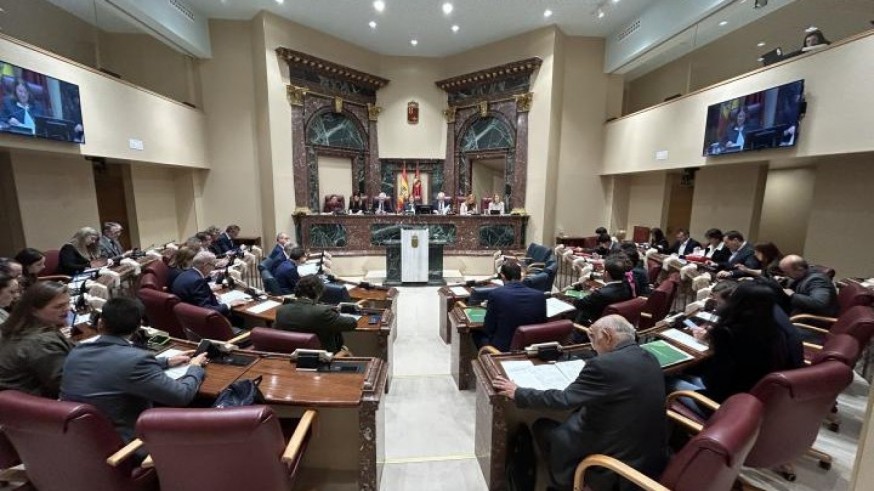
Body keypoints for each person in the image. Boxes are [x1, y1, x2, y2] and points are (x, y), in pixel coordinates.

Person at [492, 315, 668, 491]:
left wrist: (519, 392)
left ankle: (562, 482)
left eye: (592, 337)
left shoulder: (603, 365)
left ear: (607, 336)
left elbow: (564, 400)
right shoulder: (650, 357)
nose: (591, 344)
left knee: (542, 426)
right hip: (649, 452)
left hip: (613, 459)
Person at [60, 297, 206, 444]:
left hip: (82, 441)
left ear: (100, 323)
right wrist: (195, 368)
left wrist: (166, 362)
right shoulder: (137, 360)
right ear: (138, 327)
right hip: (126, 445)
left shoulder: (77, 351)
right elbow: (181, 396)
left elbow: (112, 366)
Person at [683, 282, 797, 404]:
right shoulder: (775, 327)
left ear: (737, 301)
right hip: (758, 397)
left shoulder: (727, 332)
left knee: (668, 379)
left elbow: (716, 381)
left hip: (724, 404)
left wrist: (711, 340)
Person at [0, 282, 74, 398]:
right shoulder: (41, 342)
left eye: (68, 303)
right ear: (34, 310)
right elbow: (66, 385)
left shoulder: (20, 326)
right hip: (33, 406)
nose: (67, 309)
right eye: (59, 306)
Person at [473, 262, 546, 352]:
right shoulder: (540, 296)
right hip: (530, 347)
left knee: (474, 333)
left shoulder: (496, 295)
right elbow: (542, 323)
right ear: (521, 276)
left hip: (502, 350)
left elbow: (488, 328)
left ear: (503, 276)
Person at [274, 275, 357, 353]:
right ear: (318, 293)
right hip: (322, 357)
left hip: (290, 354)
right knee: (346, 350)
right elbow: (351, 323)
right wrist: (335, 312)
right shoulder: (323, 312)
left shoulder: (281, 310)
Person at [171, 251, 242, 315]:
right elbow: (206, 310)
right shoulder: (198, 281)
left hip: (185, 315)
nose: (214, 268)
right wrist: (229, 304)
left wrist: (211, 296)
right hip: (201, 321)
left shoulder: (185, 274)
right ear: (205, 265)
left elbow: (195, 298)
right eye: (213, 265)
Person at [573, 256, 635, 328]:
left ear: (606, 273)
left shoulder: (601, 294)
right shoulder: (628, 287)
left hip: (592, 327)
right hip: (615, 325)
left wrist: (589, 293)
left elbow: (579, 304)